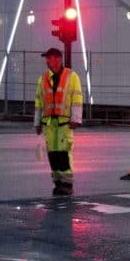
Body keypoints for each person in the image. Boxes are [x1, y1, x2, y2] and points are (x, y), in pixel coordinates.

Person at [34, 47, 83, 194]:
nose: (47, 61)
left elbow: (77, 98)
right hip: (49, 124)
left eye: (49, 58)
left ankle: (66, 183)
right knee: (53, 154)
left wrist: (75, 119)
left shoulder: (71, 76)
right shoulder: (43, 78)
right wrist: (37, 123)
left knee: (63, 153)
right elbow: (38, 102)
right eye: (47, 58)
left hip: (64, 123)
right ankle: (57, 181)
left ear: (58, 59)